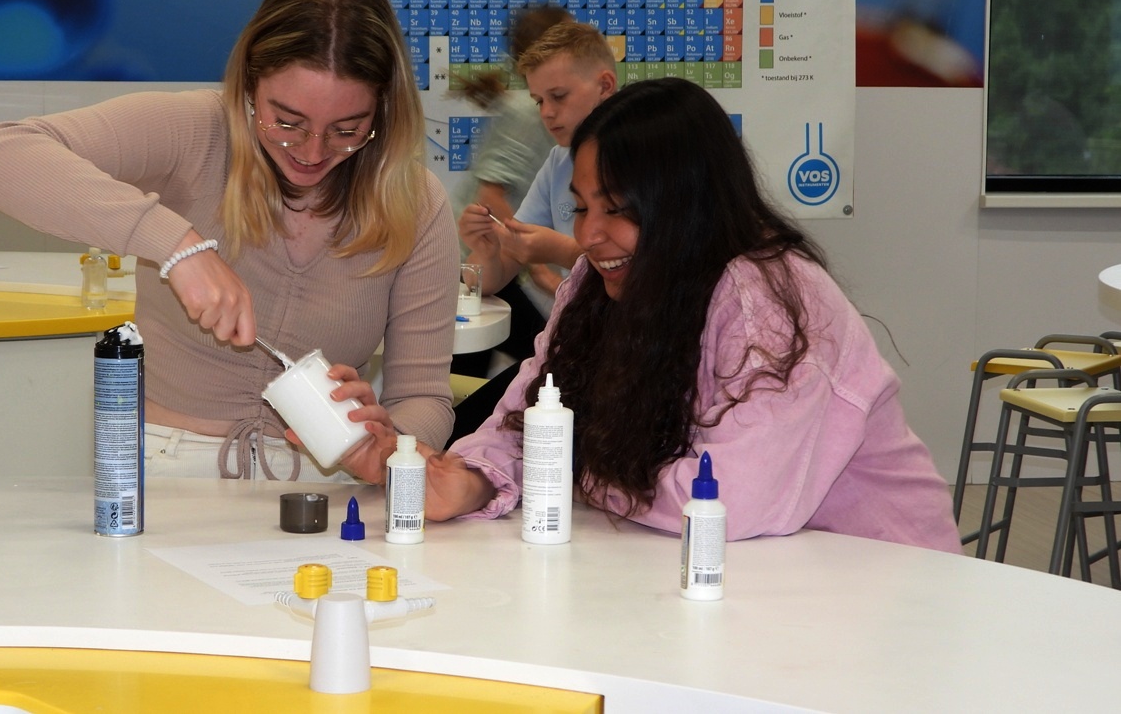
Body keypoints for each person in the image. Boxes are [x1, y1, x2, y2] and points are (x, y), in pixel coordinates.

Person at [337, 78, 961, 553]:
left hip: (882, 582)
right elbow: (528, 419)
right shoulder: (595, 285)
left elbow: (730, 499)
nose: (590, 235)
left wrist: (577, 467)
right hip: (751, 574)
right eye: (582, 208)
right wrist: (468, 479)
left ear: (688, 206)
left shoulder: (771, 300)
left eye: (618, 209)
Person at [0, 0, 458, 481]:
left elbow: (424, 396)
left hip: (323, 484)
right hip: (164, 469)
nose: (312, 151)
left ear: (383, 110)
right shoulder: (194, 130)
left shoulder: (417, 203)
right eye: (287, 122)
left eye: (347, 130)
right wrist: (177, 246)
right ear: (249, 83)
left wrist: (391, 449)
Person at [449, 20, 617, 443]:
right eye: (539, 100)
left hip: (624, 357)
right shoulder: (557, 162)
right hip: (573, 354)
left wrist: (558, 251)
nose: (546, 113)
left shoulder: (643, 157)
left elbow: (648, 268)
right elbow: (494, 275)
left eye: (558, 97)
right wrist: (486, 248)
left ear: (605, 86)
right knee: (461, 432)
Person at [448, 5, 572, 383]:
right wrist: (535, 263)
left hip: (487, 263)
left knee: (478, 371)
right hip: (472, 263)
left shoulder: (529, 107)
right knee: (549, 362)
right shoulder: (529, 112)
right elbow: (489, 197)